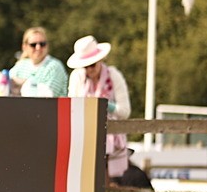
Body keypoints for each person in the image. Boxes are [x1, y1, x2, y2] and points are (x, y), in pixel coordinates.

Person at [67, 35, 131, 179]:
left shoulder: (114, 76)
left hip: (110, 133)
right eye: (85, 66)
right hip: (83, 131)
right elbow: (71, 106)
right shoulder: (77, 77)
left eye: (93, 64)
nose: (89, 69)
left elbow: (125, 112)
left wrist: (104, 105)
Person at [9, 26, 69, 97]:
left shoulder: (54, 66)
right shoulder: (20, 65)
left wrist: (22, 83)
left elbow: (46, 97)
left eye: (42, 44)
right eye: (33, 45)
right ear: (24, 47)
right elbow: (7, 86)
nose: (38, 48)